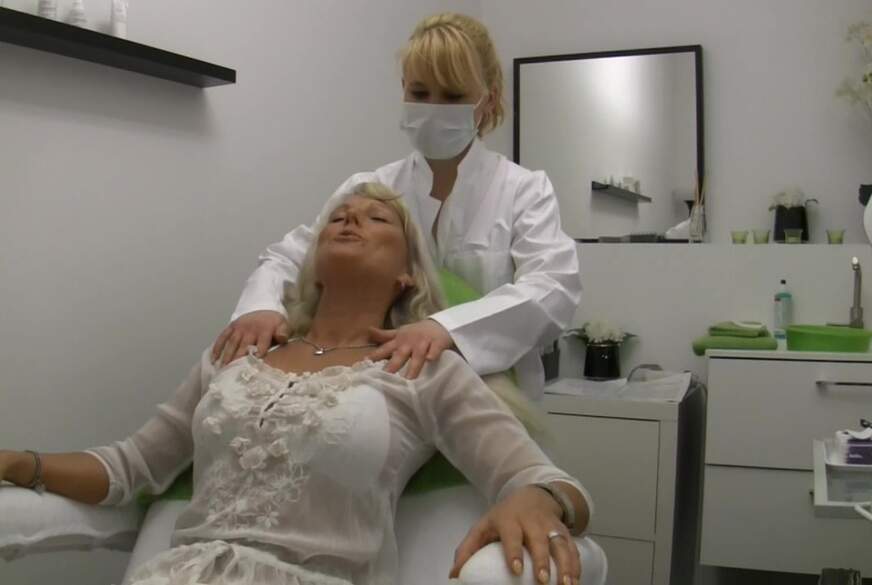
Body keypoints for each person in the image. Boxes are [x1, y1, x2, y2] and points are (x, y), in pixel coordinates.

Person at [0, 184, 592, 585]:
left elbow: (545, 479)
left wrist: (538, 500)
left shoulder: (422, 369)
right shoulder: (238, 354)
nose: (350, 218)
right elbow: (129, 467)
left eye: (377, 218)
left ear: (407, 274)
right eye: (338, 215)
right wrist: (20, 462)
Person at [211, 13, 581, 400]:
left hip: (492, 398)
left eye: (453, 96)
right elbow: (291, 257)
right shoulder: (370, 188)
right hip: (378, 396)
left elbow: (553, 287)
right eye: (420, 93)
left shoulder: (523, 190)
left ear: (487, 99)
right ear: (404, 89)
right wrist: (259, 307)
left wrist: (449, 329)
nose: (434, 108)